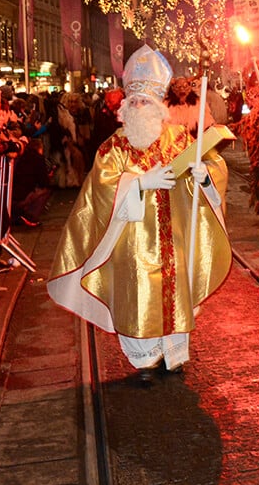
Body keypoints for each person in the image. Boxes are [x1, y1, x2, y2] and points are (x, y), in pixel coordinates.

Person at [48, 45, 233, 382]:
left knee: (176, 292)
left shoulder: (178, 138)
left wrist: (204, 176)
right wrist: (137, 183)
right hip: (134, 242)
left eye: (145, 101)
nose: (138, 106)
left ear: (159, 106)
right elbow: (100, 189)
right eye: (133, 101)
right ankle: (144, 360)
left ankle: (174, 354)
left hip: (173, 236)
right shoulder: (114, 146)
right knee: (138, 296)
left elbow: (209, 163)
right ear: (125, 108)